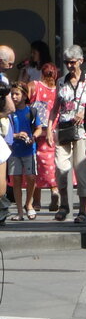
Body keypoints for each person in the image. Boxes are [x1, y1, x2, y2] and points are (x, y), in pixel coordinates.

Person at [53, 44, 86, 223]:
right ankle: (64, 205)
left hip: (82, 131)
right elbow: (56, 107)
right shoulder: (61, 81)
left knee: (82, 170)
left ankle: (83, 210)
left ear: (81, 61)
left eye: (72, 62)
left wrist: (84, 113)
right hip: (63, 128)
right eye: (66, 62)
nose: (69, 65)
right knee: (61, 167)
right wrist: (50, 128)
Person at [7, 82, 44, 219]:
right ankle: (19, 211)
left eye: (17, 94)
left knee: (31, 177)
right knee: (16, 179)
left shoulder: (31, 111)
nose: (14, 97)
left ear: (24, 95)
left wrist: (33, 137)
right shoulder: (9, 113)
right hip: (14, 151)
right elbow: (5, 132)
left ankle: (28, 204)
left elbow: (39, 128)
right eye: (12, 94)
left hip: (29, 150)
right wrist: (16, 135)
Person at [28, 62, 58, 212]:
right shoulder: (58, 90)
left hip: (37, 130)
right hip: (53, 131)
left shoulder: (35, 85)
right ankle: (54, 190)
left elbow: (26, 100)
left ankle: (37, 201)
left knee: (36, 166)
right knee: (52, 164)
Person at [0, 45, 15, 223]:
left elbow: (10, 108)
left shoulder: (3, 79)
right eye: (9, 63)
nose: (11, 67)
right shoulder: (2, 80)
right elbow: (10, 107)